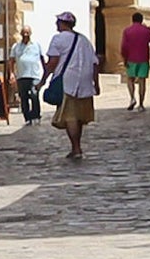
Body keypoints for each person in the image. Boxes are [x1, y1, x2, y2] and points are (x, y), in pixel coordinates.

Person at [41, 11, 100, 160]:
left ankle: (76, 148)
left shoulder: (58, 39)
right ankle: (77, 146)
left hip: (68, 82)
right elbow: (95, 63)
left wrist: (43, 79)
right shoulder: (84, 40)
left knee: (70, 117)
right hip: (85, 82)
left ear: (62, 23)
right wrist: (96, 83)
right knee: (79, 117)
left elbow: (53, 62)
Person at [120, 12, 150, 111]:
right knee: (142, 81)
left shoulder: (127, 31)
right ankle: (141, 104)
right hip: (143, 58)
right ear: (141, 20)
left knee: (130, 79)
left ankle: (132, 98)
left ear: (132, 20)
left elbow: (123, 46)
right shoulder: (147, 30)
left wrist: (125, 58)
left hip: (131, 58)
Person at [9, 25, 46, 124]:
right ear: (21, 34)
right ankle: (27, 117)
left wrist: (45, 72)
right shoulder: (16, 47)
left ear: (30, 33)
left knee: (34, 94)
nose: (25, 35)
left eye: (27, 32)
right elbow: (11, 61)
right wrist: (12, 73)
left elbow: (42, 59)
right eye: (24, 33)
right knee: (23, 97)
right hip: (22, 76)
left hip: (34, 75)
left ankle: (36, 115)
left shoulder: (36, 45)